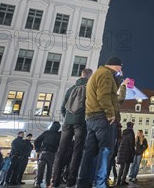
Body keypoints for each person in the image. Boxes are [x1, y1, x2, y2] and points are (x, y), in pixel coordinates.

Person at [76, 56, 125, 188]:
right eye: (121, 67)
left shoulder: (98, 73)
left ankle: (82, 182)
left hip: (91, 117)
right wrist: (110, 114)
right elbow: (104, 95)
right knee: (106, 150)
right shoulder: (106, 74)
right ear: (116, 66)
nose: (121, 70)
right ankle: (100, 183)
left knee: (89, 152)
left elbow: (108, 91)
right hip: (102, 118)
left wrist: (120, 82)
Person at [52, 68, 93, 188]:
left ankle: (55, 180)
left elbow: (63, 108)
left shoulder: (71, 89)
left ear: (81, 76)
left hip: (67, 123)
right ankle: (71, 179)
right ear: (89, 77)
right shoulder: (89, 89)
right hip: (81, 122)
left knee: (61, 151)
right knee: (77, 151)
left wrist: (67, 118)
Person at [34, 121, 62, 188]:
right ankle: (47, 183)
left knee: (41, 169)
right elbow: (60, 144)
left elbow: (36, 141)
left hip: (43, 152)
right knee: (50, 169)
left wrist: (38, 150)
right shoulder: (59, 134)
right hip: (52, 153)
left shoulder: (47, 132)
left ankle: (38, 182)